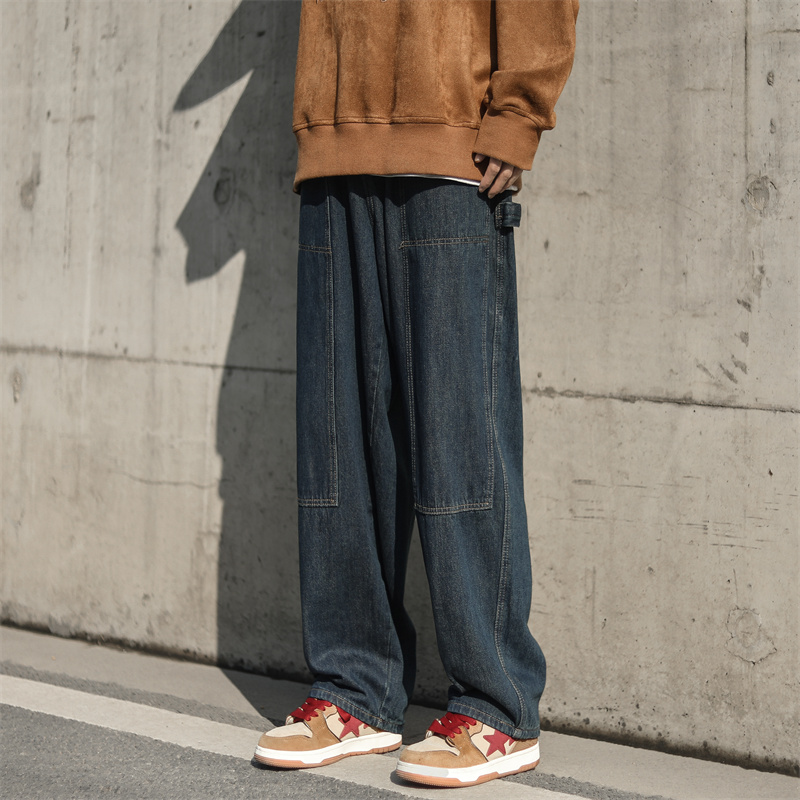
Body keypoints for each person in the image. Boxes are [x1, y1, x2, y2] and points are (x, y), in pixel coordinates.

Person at [254, 0, 578, 788]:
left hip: (450, 146)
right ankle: (355, 690)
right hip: (333, 148)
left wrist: (516, 114)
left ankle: (498, 705)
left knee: (460, 441)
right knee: (339, 452)